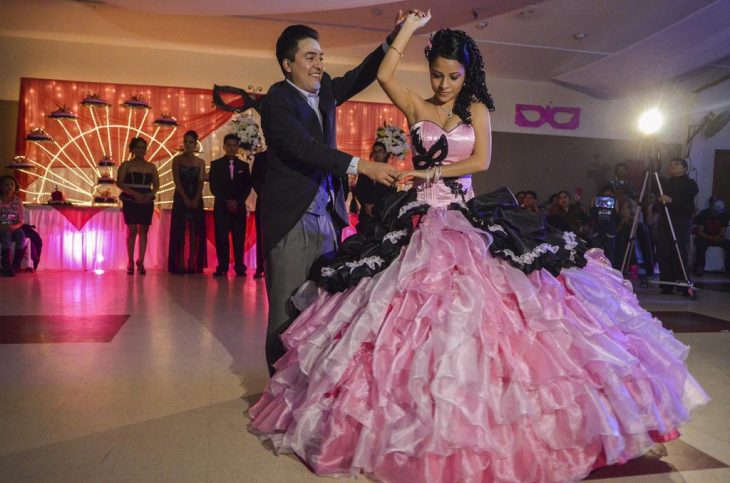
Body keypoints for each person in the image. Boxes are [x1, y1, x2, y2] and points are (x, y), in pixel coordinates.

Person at [248, 14, 708, 483]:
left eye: (453, 76)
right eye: (437, 74)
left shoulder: (478, 110)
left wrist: (427, 173)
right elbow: (383, 74)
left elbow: (480, 160)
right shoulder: (415, 105)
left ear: (468, 74)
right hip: (419, 218)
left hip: (465, 216)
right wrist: (405, 31)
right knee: (405, 320)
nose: (444, 84)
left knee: (489, 320)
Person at [258, 21, 400, 375]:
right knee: (286, 310)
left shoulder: (325, 93)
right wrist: (361, 165)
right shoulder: (276, 101)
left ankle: (307, 385)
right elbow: (304, 148)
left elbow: (362, 74)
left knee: (321, 305)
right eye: (309, 57)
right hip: (293, 218)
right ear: (287, 64)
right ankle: (278, 390)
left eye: (321, 57)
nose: (318, 64)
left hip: (328, 217)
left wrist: (394, 37)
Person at [209, 133, 252, 277]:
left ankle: (239, 266)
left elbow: (247, 186)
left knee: (239, 238)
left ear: (238, 147)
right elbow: (214, 187)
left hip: (238, 208)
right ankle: (222, 266)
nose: (232, 148)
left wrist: (237, 202)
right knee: (221, 238)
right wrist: (227, 201)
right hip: (222, 207)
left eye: (234, 145)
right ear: (224, 146)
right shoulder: (216, 165)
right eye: (229, 145)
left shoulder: (244, 166)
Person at [655, 157, 698, 294]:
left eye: (677, 164)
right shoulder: (665, 183)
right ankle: (666, 283)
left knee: (679, 251)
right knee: (664, 251)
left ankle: (682, 283)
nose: (673, 166)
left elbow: (686, 200)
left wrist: (671, 200)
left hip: (681, 220)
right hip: (665, 219)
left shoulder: (690, 184)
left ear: (684, 168)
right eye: (671, 164)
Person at [117, 137, 160, 275]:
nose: (141, 150)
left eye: (143, 147)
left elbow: (157, 184)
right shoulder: (126, 165)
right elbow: (120, 183)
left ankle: (140, 261)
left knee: (144, 231)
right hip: (130, 199)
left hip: (146, 199)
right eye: (138, 147)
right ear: (133, 149)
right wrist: (134, 193)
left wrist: (151, 193)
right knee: (132, 231)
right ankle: (130, 261)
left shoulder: (151, 166)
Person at [168, 130, 207, 274]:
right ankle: (180, 262)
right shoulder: (177, 160)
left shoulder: (201, 162)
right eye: (186, 142)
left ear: (195, 144)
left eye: (191, 142)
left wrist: (196, 198)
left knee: (194, 231)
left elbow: (201, 182)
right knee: (180, 231)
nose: (188, 144)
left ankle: (192, 262)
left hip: (196, 197)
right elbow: (177, 181)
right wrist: (185, 198)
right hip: (180, 197)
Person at [353, 141, 397, 232]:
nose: (377, 154)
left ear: (385, 154)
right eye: (375, 151)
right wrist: (367, 205)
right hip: (365, 214)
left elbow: (391, 195)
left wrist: (376, 207)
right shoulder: (365, 172)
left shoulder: (390, 172)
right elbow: (359, 191)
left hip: (382, 215)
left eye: (380, 151)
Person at [693, 196, 729, 275]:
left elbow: (722, 232)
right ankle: (699, 267)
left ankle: (728, 268)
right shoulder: (703, 214)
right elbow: (700, 232)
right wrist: (711, 237)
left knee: (728, 244)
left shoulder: (725, 215)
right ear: (711, 207)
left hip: (716, 237)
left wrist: (719, 237)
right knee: (701, 243)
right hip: (704, 237)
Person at [0, 175, 26, 277]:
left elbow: (21, 220)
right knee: (6, 237)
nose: (10, 187)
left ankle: (16, 265)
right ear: (1, 187)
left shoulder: (18, 201)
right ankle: (6, 267)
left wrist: (14, 227)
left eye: (12, 184)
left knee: (21, 236)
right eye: (6, 185)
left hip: (14, 226)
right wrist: (3, 226)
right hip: (2, 226)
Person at [250, 150, 267, 279]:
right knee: (261, 235)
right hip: (264, 202)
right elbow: (254, 179)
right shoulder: (260, 158)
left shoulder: (283, 157)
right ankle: (260, 267)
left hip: (281, 205)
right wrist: (265, 193)